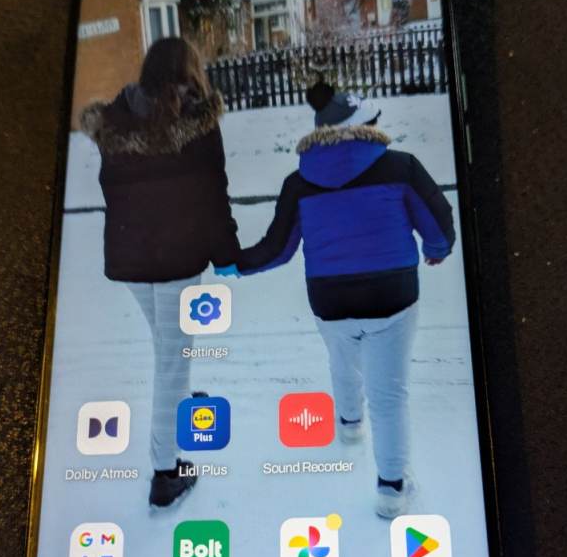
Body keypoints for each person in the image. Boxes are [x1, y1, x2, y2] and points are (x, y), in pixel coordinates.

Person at [222, 83, 455, 517]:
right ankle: (391, 488)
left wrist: (235, 264)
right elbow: (438, 218)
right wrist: (437, 249)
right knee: (389, 395)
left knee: (342, 357)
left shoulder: (299, 183)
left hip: (330, 298)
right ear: (366, 126)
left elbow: (278, 248)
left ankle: (349, 424)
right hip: (393, 294)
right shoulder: (401, 167)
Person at [81, 37, 239, 507]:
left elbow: (115, 189)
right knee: (172, 359)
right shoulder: (197, 120)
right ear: (190, 70)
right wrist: (227, 252)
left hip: (132, 258)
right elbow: (213, 194)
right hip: (176, 261)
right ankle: (166, 472)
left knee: (168, 347)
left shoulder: (116, 120)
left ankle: (179, 401)